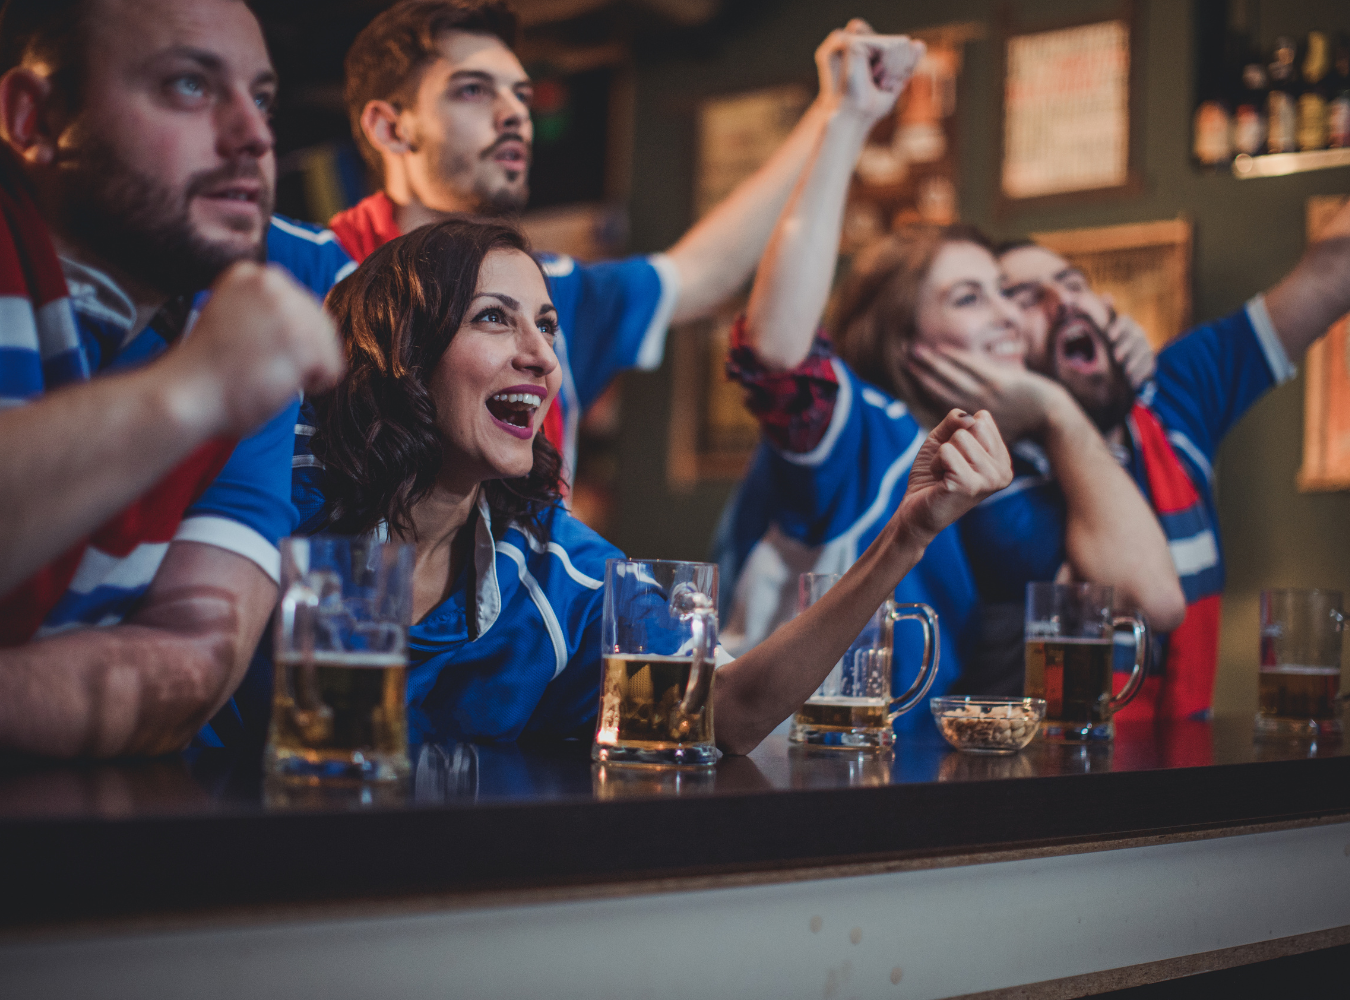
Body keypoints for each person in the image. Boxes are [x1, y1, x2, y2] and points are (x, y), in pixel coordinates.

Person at [303, 217, 1012, 751]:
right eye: (495, 318)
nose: (543, 359)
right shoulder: (282, 520)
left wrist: (907, 535)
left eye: (549, 329)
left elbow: (727, 712)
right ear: (400, 348)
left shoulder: (558, 569)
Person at [715, 42, 1184, 718]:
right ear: (906, 344)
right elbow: (777, 353)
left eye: (1003, 292)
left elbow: (1149, 602)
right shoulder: (866, 432)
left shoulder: (996, 465)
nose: (1006, 316)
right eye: (968, 299)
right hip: (788, 763)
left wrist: (1074, 393)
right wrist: (847, 120)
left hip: (905, 775)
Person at [319, 0, 920, 484]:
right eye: (473, 90)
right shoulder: (305, 267)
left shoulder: (558, 289)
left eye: (521, 96)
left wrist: (835, 110)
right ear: (390, 126)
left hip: (522, 617)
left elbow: (701, 272)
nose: (514, 115)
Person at [0, 0, 344, 757]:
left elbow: (193, 666)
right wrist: (192, 392)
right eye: (189, 85)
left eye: (261, 99)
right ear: (34, 118)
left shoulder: (231, 341)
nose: (254, 136)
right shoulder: (222, 364)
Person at [928, 201, 1350, 718]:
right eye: (1027, 298)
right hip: (1055, 778)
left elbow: (1333, 268)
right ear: (998, 339)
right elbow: (1147, 597)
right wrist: (1054, 407)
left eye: (1075, 283)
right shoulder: (990, 472)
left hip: (1178, 768)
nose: (1064, 301)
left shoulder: (1175, 392)